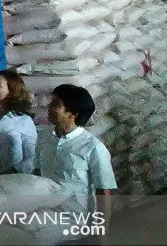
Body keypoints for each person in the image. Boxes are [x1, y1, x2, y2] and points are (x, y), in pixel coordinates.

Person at [35, 84, 116, 222]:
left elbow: (104, 192)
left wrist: (101, 235)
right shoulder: (44, 138)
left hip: (76, 220)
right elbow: (36, 173)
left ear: (73, 114)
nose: (49, 107)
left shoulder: (93, 147)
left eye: (56, 104)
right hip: (45, 214)